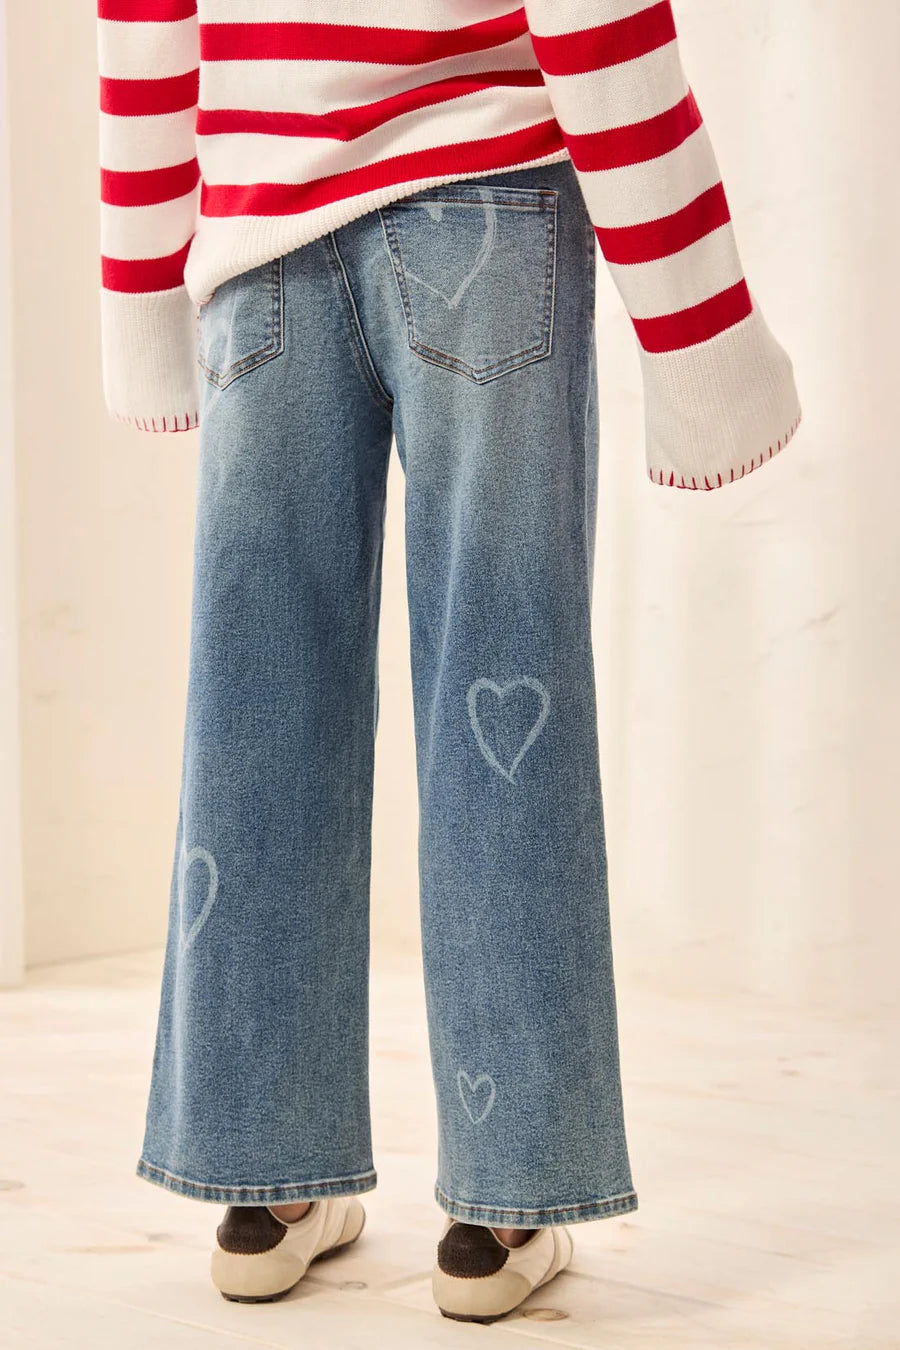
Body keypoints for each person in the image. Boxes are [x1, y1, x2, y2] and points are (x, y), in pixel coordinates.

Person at [95, 0, 801, 1324]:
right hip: (485, 194)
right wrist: (703, 334)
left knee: (258, 708)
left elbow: (142, 19)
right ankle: (504, 1200)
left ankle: (263, 1185)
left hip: (257, 228)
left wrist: (138, 296)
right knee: (502, 687)